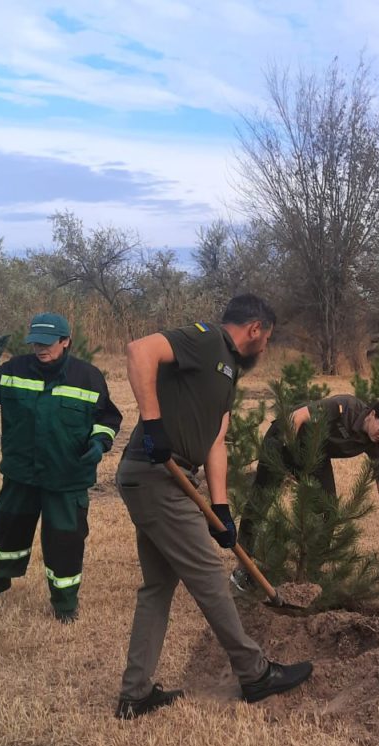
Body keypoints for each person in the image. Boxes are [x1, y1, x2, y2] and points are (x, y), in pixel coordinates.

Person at [115, 294, 312, 719]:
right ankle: (255, 673)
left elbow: (216, 443)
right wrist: (152, 425)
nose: (265, 349)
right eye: (267, 339)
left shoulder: (227, 373)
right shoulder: (207, 341)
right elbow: (139, 351)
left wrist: (221, 511)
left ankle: (135, 694)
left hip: (173, 479)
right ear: (255, 329)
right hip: (157, 477)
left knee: (157, 586)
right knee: (209, 578)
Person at [0, 314, 122, 623]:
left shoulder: (88, 376)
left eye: (47, 343)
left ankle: (64, 603)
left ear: (65, 342)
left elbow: (107, 419)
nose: (40, 348)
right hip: (20, 474)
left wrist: (99, 444)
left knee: (65, 542)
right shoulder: (13, 370)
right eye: (35, 342)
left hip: (67, 477)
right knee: (7, 532)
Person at [232, 395, 379, 587]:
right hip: (284, 439)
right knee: (260, 502)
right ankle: (242, 568)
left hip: (316, 452)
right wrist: (291, 458)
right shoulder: (345, 407)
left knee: (328, 511)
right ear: (372, 415)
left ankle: (310, 574)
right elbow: (296, 417)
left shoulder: (375, 440)